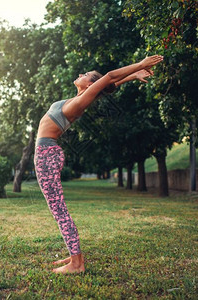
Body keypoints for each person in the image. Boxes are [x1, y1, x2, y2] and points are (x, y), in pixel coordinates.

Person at [34, 55, 164, 274]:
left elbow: (109, 78)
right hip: (48, 152)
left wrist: (141, 64)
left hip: (46, 154)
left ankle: (77, 264)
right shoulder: (80, 98)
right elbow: (106, 86)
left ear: (91, 83)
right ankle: (75, 256)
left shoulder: (79, 103)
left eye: (85, 75)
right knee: (58, 209)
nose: (80, 74)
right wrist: (132, 76)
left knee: (59, 210)